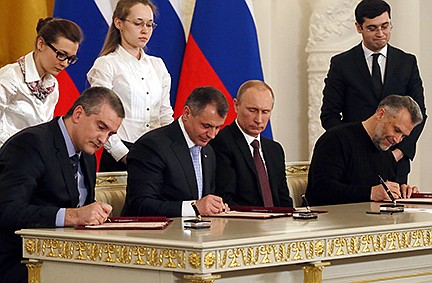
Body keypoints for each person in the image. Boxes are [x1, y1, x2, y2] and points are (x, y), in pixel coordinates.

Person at [0, 86, 125, 283]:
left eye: (110, 134)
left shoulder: (88, 155)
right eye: (101, 127)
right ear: (78, 114)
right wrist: (73, 216)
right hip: (22, 261)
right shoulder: (31, 144)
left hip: (70, 258)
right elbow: (6, 210)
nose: (103, 140)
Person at [320, 0, 427, 185]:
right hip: (353, 163)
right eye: (372, 28)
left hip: (396, 162)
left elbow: (419, 115)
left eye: (385, 26)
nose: (380, 34)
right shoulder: (341, 64)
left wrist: (399, 152)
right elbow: (329, 115)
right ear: (358, 27)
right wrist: (351, 148)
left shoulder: (407, 62)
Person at [87, 0, 174, 172]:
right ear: (119, 23)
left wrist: (171, 151)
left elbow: (165, 113)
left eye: (150, 25)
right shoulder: (107, 64)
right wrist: (124, 155)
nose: (145, 30)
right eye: (138, 23)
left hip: (156, 153)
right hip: (119, 155)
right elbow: (99, 117)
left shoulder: (158, 65)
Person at [122, 86, 229, 217]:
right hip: (155, 235)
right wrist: (194, 208)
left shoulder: (208, 151)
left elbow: (203, 201)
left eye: (217, 127)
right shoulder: (152, 146)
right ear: (186, 113)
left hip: (196, 233)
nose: (212, 135)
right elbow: (140, 204)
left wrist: (215, 207)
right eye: (206, 126)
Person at [306, 95, 423, 206]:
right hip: (332, 222)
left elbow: (386, 193)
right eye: (396, 130)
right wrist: (371, 193)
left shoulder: (386, 153)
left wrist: (401, 191)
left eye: (403, 136)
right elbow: (321, 190)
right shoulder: (336, 139)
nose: (397, 140)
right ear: (381, 114)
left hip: (372, 223)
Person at [0, 17, 83, 148]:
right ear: (40, 44)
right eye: (61, 54)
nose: (65, 63)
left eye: (70, 59)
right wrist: (17, 150)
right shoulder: (10, 77)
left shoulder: (52, 86)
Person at [210, 80, 293, 207]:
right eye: (252, 110)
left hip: (277, 223)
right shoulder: (221, 143)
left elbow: (284, 200)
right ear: (236, 105)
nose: (259, 119)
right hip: (243, 224)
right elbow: (225, 199)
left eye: (265, 112)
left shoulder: (275, 149)